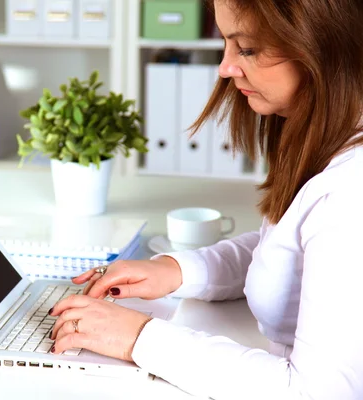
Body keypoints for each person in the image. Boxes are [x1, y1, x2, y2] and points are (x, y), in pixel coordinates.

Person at [48, 0, 363, 398]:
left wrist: (137, 338)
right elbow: (290, 249)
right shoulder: (331, 141)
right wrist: (177, 271)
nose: (225, 67)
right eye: (226, 44)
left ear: (320, 45)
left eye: (246, 48)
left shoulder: (350, 191)